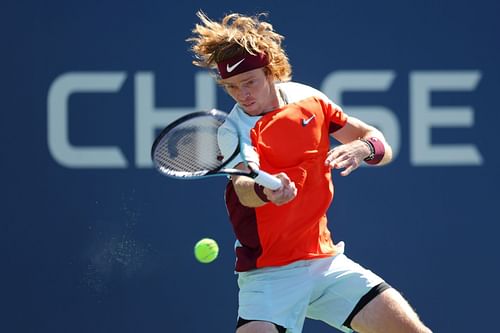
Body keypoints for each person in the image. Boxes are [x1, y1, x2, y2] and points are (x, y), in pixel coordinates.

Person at [187, 11, 432, 333]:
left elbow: (376, 141)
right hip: (268, 275)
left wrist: (363, 148)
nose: (243, 94)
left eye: (250, 82)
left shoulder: (309, 100)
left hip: (325, 262)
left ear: (271, 71)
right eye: (232, 87)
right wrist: (266, 193)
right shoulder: (233, 130)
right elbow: (244, 188)